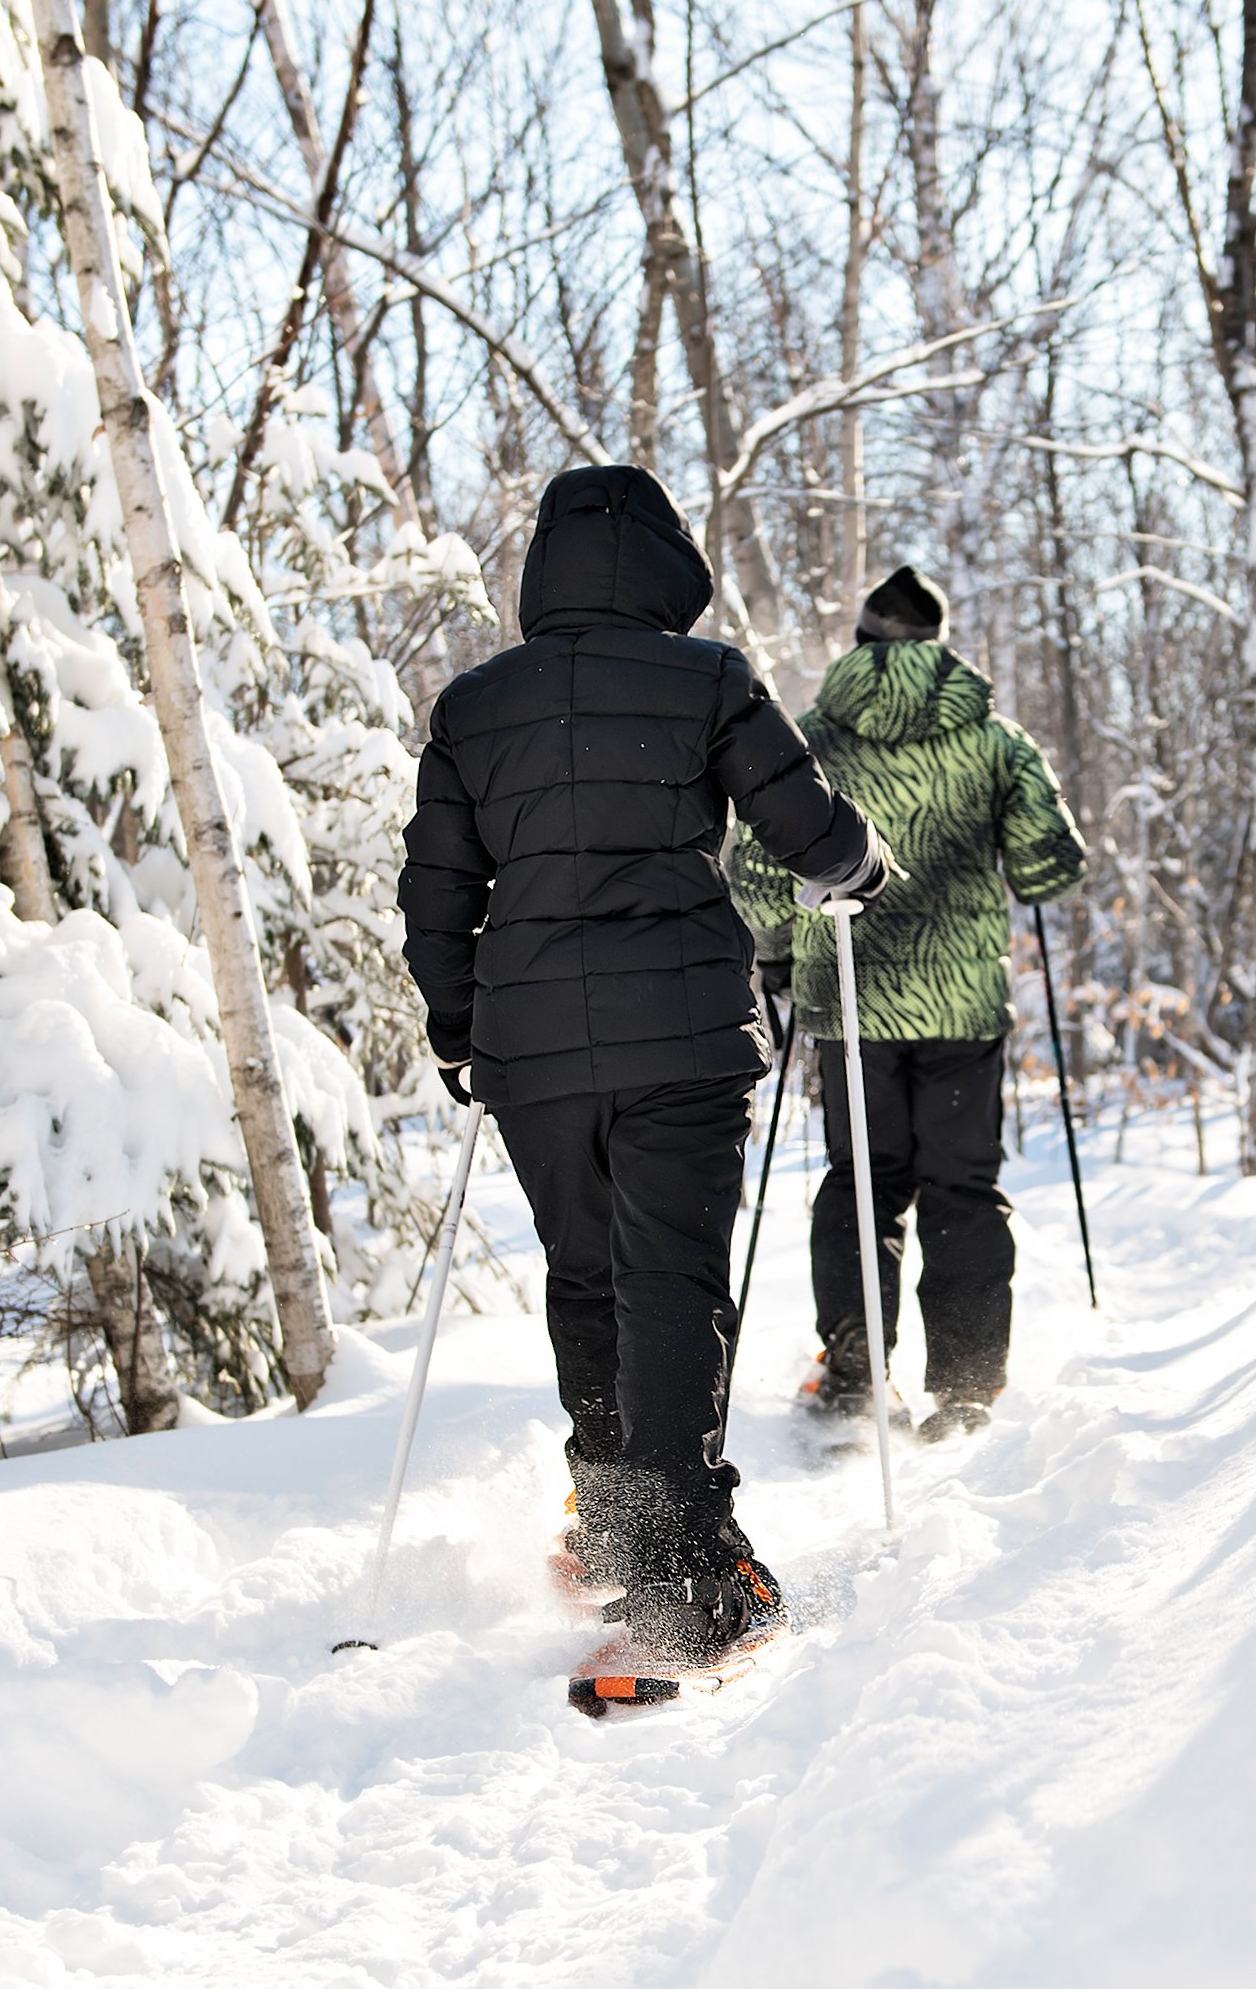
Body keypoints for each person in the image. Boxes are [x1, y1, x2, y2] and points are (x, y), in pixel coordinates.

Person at [398, 465, 885, 1661]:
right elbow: (807, 829)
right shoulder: (704, 677)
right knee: (667, 1282)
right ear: (664, 564)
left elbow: (438, 891)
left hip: (535, 1054)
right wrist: (858, 866)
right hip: (681, 1039)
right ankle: (682, 1577)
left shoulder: (474, 707)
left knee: (584, 1277)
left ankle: (618, 1532)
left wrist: (461, 1028)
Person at [731, 565, 1085, 1441]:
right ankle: (964, 1390)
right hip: (962, 1002)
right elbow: (1051, 865)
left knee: (862, 1181)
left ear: (860, 643)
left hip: (849, 999)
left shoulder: (808, 737)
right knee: (962, 1186)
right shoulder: (994, 738)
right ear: (937, 641)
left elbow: (755, 872)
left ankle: (855, 1365)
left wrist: (777, 960)